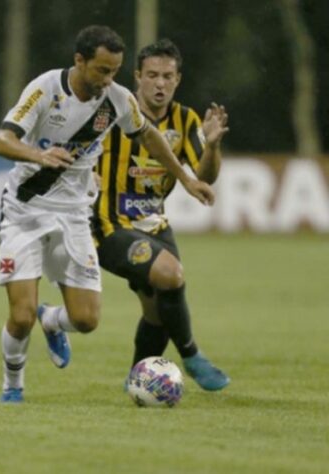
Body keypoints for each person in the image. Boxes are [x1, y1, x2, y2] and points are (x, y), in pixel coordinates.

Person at [0, 26, 215, 403]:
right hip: (26, 210)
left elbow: (148, 136)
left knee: (86, 320)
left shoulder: (117, 99)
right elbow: (1, 140)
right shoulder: (45, 89)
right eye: (101, 70)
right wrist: (39, 155)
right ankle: (13, 386)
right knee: (21, 315)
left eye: (114, 71)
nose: (107, 79)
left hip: (75, 215)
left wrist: (187, 179)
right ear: (79, 61)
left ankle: (53, 320)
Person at [91, 39, 230, 390]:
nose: (160, 83)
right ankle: (192, 355)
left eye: (168, 76)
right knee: (170, 274)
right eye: (152, 75)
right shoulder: (110, 111)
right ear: (137, 76)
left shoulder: (186, 120)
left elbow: (205, 176)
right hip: (107, 225)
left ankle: (138, 377)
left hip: (154, 224)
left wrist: (212, 146)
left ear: (178, 79)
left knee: (157, 310)